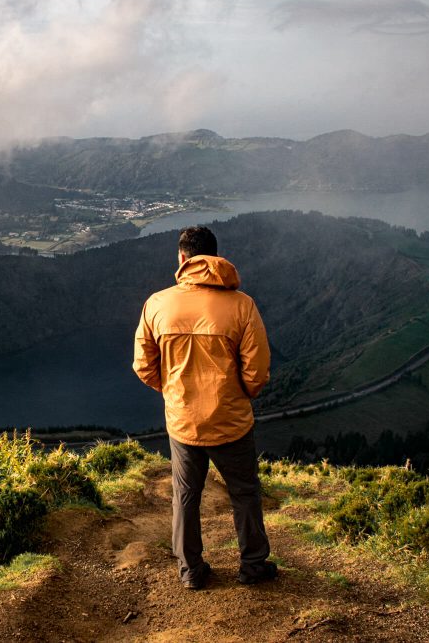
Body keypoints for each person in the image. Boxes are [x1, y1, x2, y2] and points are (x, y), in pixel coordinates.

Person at [132, 225, 276, 590]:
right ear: (215, 257)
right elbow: (257, 372)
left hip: (183, 423)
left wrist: (175, 391)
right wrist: (237, 395)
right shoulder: (242, 306)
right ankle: (253, 567)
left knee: (185, 495)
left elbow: (143, 365)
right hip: (230, 422)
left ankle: (191, 571)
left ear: (182, 258)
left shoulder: (157, 304)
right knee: (244, 492)